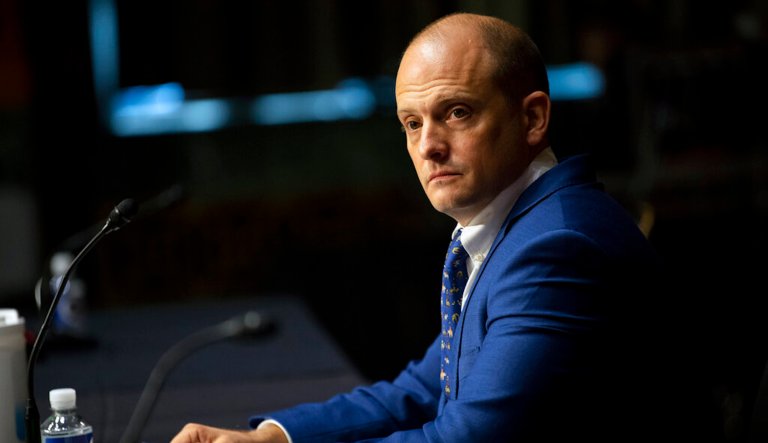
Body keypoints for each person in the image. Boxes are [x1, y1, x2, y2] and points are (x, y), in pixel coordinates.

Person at [171, 12, 671, 443]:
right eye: (412, 123)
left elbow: (464, 439)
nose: (428, 145)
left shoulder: (557, 247)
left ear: (533, 118)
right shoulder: (515, 223)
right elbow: (426, 388)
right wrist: (269, 437)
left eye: (457, 112)